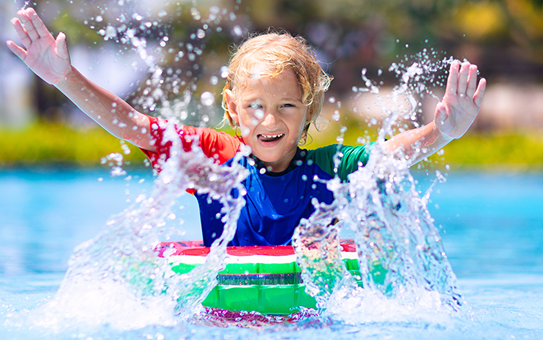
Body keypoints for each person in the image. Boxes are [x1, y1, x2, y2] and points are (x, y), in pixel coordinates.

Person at [7, 8, 486, 247]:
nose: (271, 121)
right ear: (233, 110)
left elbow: (390, 154)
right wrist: (64, 78)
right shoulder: (217, 160)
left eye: (286, 107)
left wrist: (444, 132)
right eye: (255, 106)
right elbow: (134, 125)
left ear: (309, 111)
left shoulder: (330, 168)